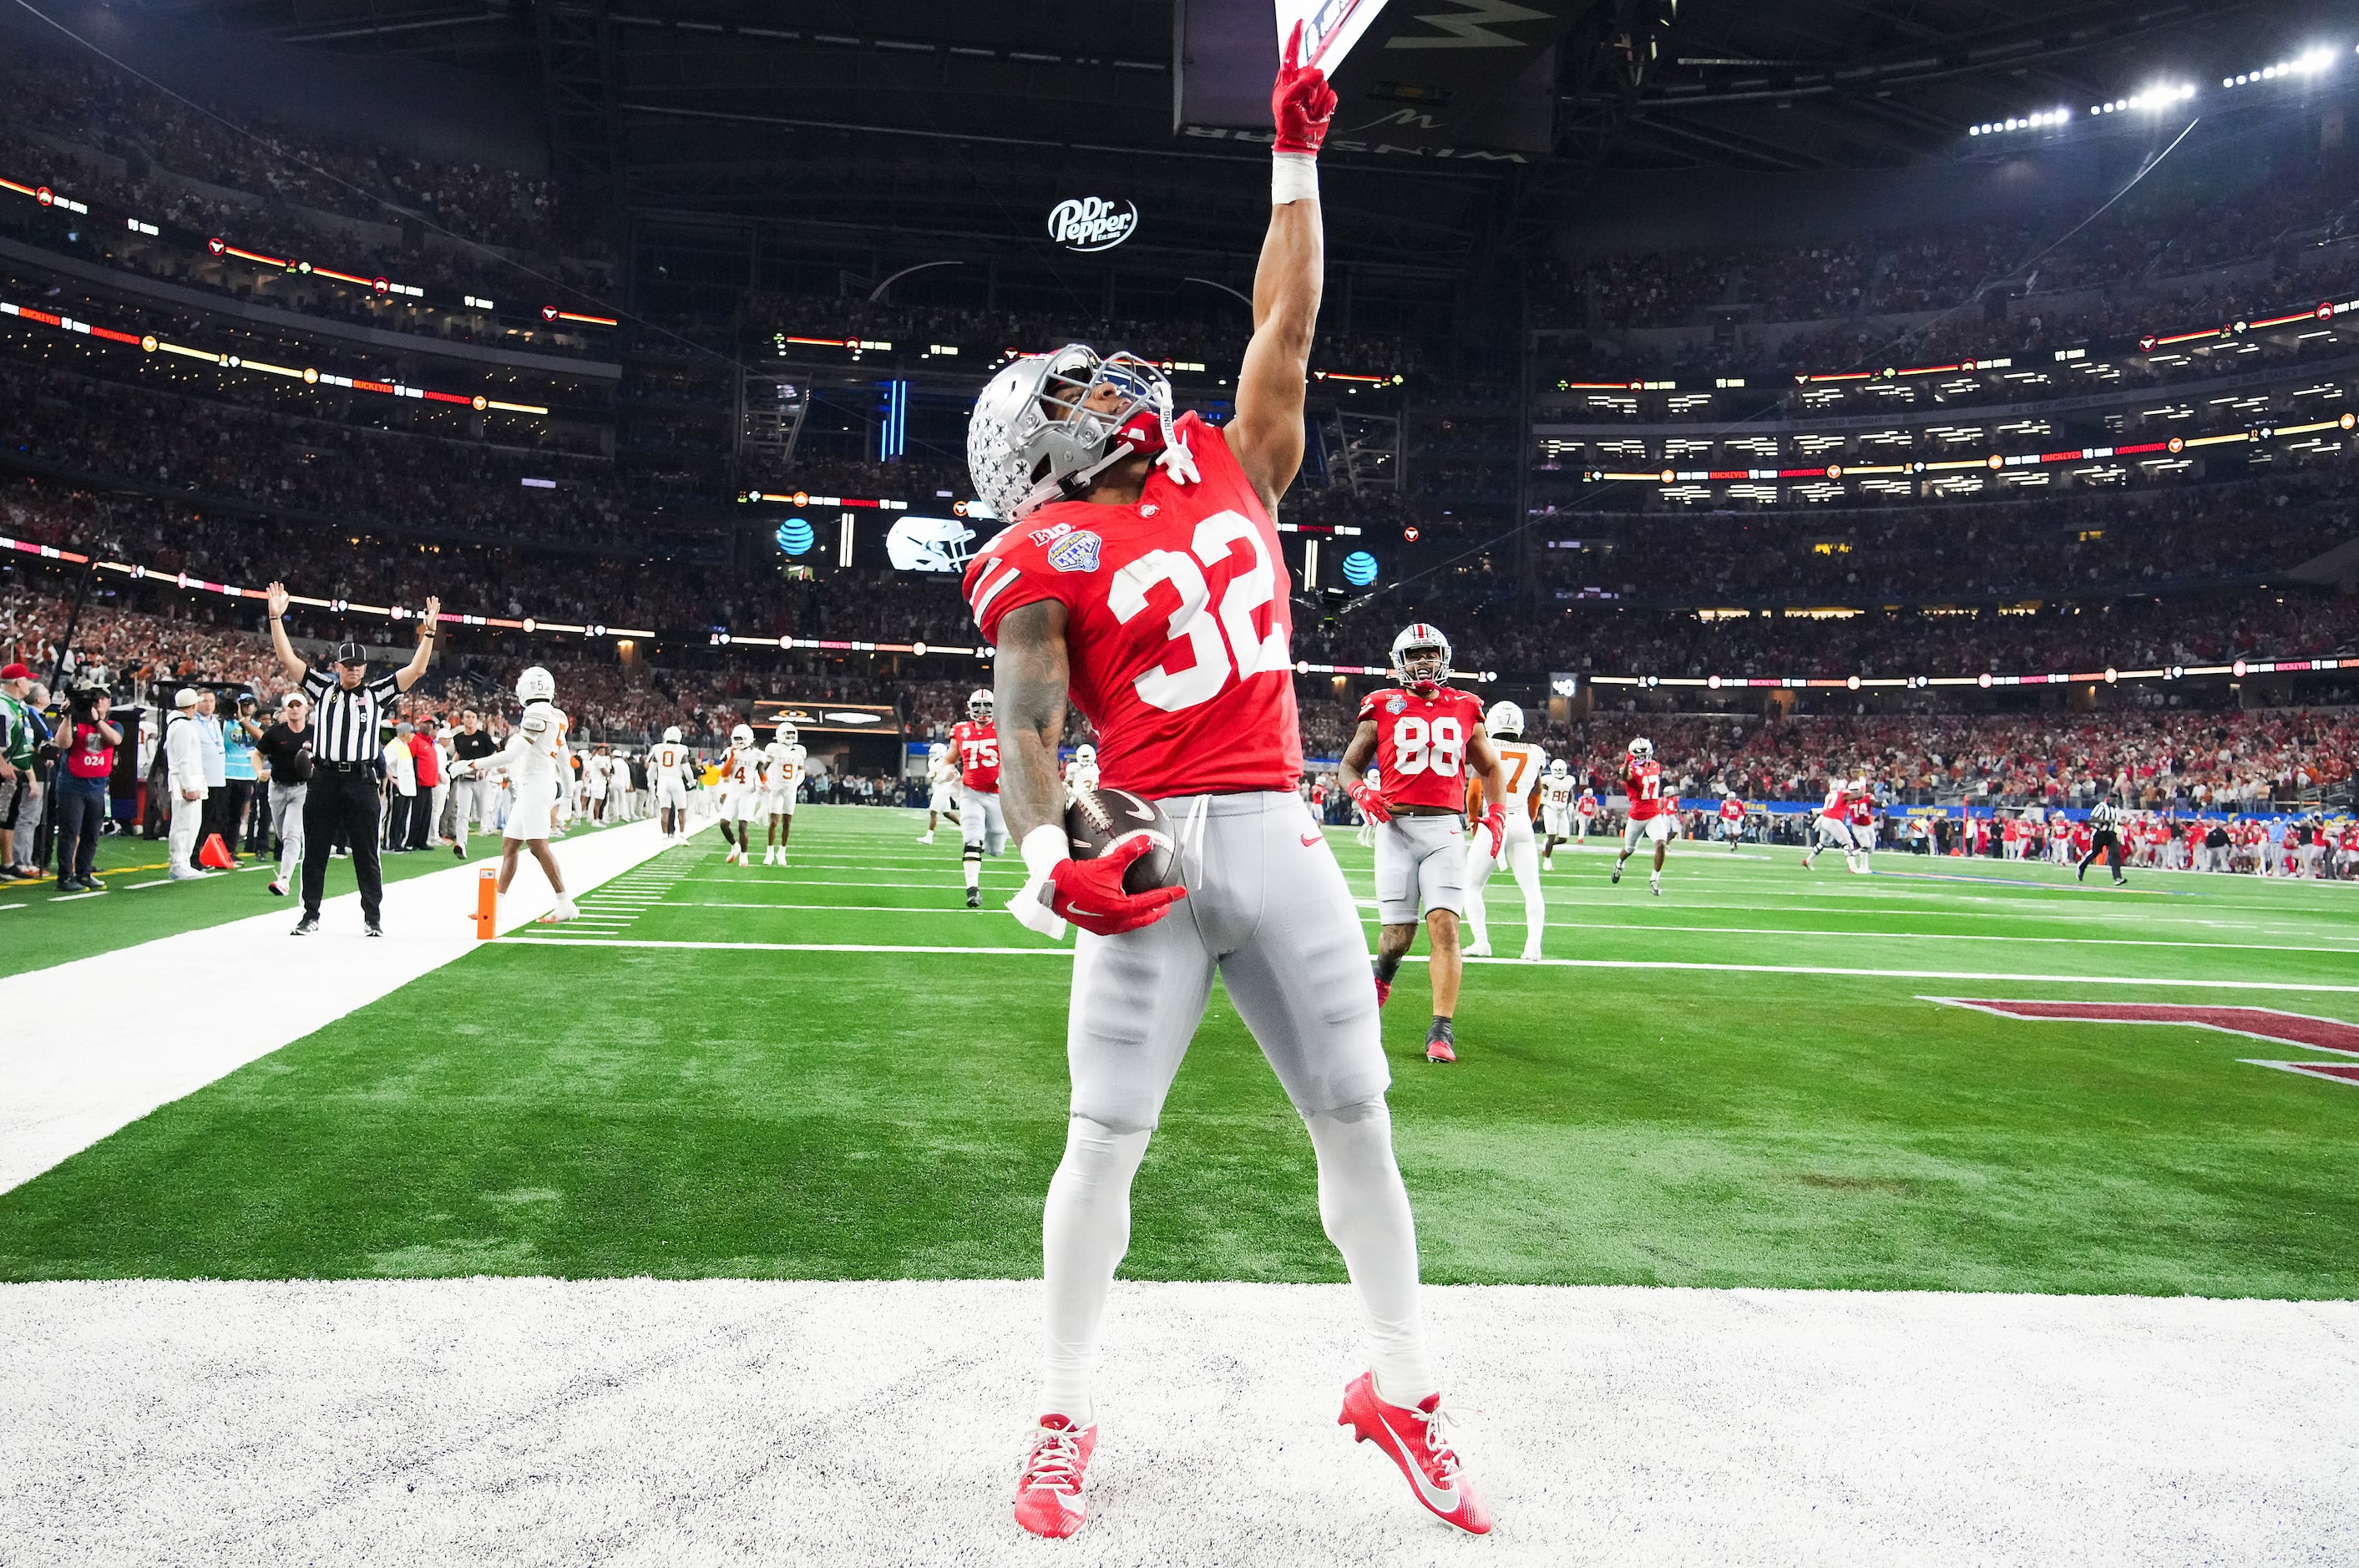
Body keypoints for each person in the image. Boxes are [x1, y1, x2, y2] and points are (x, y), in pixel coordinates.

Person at [961, 37, 1489, 1538]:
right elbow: (1025, 736)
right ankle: (1061, 1413)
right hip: (1152, 855)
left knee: (1358, 1120)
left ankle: (1403, 1387)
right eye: (1067, 386)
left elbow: (1289, 316)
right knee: (1103, 1138)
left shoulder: (1229, 461)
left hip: (1276, 827)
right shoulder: (1048, 553)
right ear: (1044, 449)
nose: (1098, 378)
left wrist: (1295, 159)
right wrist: (1059, 843)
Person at [1342, 624, 1508, 1064]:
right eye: (1414, 655)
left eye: (1429, 654)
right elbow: (1348, 769)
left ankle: (1441, 1031)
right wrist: (1363, 793)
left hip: (1446, 831)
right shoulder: (1381, 704)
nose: (1422, 663)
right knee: (1398, 936)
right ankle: (1384, 974)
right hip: (1395, 832)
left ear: (1444, 657)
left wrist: (1495, 813)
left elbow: (1490, 768)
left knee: (1446, 928)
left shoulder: (1467, 706)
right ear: (1400, 662)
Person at [263, 584, 441, 937]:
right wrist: (275, 617)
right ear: (338, 666)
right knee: (315, 849)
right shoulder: (322, 689)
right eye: (349, 666)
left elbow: (416, 669)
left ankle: (372, 917)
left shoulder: (377, 694)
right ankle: (309, 914)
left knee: (366, 851)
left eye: (360, 666)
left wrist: (430, 631)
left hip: (361, 780)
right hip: (325, 777)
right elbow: (287, 660)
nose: (355, 671)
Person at [452, 665, 576, 923]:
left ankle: (565, 903)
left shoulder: (535, 713)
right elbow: (565, 761)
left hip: (536, 785)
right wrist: (567, 796)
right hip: (538, 784)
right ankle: (495, 905)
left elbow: (512, 754)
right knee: (510, 846)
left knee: (538, 847)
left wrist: (470, 764)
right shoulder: (557, 715)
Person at [1461, 700, 1546, 963]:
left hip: (1492, 819)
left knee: (1471, 886)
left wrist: (1475, 821)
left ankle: (1482, 942)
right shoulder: (1535, 751)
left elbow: (1475, 791)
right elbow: (1536, 792)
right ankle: (1533, 947)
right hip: (1520, 819)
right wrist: (1527, 821)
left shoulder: (1486, 746)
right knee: (1532, 889)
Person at [49, 682, 119, 893]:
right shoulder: (75, 723)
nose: (98, 706)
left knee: (91, 832)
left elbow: (115, 740)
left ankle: (84, 872)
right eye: (95, 702)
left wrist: (97, 720)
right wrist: (69, 716)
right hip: (72, 784)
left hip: (97, 786)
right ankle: (65, 876)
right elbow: (62, 744)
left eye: (102, 702)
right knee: (69, 831)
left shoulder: (114, 724)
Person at [255, 691, 313, 898]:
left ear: (306, 709)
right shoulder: (275, 733)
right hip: (277, 787)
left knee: (291, 833)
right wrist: (259, 770)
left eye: (298, 705)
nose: (295, 709)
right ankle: (293, 855)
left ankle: (284, 880)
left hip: (302, 789)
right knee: (281, 833)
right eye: (291, 706)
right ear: (286, 709)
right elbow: (257, 754)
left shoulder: (315, 734)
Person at [951, 688, 1005, 908]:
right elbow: (948, 760)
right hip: (970, 792)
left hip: (998, 795)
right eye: (978, 706)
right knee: (971, 839)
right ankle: (972, 890)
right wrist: (947, 770)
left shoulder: (1004, 728)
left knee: (996, 849)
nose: (982, 711)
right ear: (969, 708)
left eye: (987, 706)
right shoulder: (961, 730)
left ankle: (983, 846)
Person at [0, 661, 45, 880]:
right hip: (4, 769)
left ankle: (8, 863)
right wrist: (1, 764)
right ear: (18, 682)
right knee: (3, 816)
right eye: (27, 679)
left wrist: (29, 773)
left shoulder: (17, 707)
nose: (29, 683)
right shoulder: (3, 706)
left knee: (9, 816)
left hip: (15, 769)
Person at [1611, 736, 1672, 896]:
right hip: (1637, 816)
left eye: (1644, 752)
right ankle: (1619, 863)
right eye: (1638, 753)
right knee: (1629, 849)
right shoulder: (1628, 767)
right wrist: (1628, 762)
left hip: (1654, 815)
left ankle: (1654, 879)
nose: (1642, 756)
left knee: (1661, 844)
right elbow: (1625, 777)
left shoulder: (1656, 766)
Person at [447, 708, 498, 856]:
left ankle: (486, 828)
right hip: (464, 779)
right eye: (467, 717)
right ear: (463, 719)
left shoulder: (483, 737)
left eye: (473, 717)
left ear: (477, 719)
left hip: (480, 778)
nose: (470, 720)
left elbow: (493, 754)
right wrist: (452, 764)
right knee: (463, 812)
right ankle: (461, 843)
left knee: (483, 810)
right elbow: (459, 753)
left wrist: (485, 770)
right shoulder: (458, 738)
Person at [221, 694, 264, 858]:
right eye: (243, 705)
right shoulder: (225, 723)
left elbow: (262, 737)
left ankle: (230, 850)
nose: (247, 707)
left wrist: (242, 720)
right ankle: (216, 848)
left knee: (237, 816)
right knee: (221, 814)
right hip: (226, 774)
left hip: (247, 775)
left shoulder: (256, 725)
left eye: (250, 704)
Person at [714, 723, 763, 866]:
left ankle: (744, 854)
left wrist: (764, 782)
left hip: (748, 793)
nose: (737, 742)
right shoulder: (730, 752)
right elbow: (724, 773)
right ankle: (735, 846)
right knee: (723, 824)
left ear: (748, 739)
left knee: (742, 826)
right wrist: (732, 756)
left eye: (740, 739)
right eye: (735, 739)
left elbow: (761, 772)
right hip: (733, 792)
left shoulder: (756, 755)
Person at [762, 721, 806, 864]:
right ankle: (769, 852)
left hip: (790, 790)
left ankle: (782, 852)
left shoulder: (799, 750)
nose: (790, 737)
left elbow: (801, 772)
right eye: (787, 734)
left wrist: (795, 784)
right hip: (776, 788)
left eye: (792, 734)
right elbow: (763, 767)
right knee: (774, 821)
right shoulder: (773, 749)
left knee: (787, 823)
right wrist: (765, 782)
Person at [381, 720, 419, 852]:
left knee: (402, 814)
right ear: (404, 733)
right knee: (394, 814)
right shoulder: (394, 746)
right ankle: (390, 842)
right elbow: (384, 764)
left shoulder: (404, 746)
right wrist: (392, 779)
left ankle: (398, 841)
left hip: (406, 785)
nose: (413, 736)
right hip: (397, 783)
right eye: (412, 733)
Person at [407, 716, 443, 851]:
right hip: (419, 783)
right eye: (426, 723)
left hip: (429, 783)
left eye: (431, 724)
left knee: (426, 814)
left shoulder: (430, 743)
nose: (429, 726)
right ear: (419, 724)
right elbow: (410, 759)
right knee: (416, 814)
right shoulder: (416, 740)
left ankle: (421, 841)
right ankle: (411, 840)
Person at [650, 726, 693, 841]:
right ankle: (682, 834)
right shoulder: (682, 749)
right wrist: (691, 781)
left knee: (665, 810)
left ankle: (665, 835)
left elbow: (651, 770)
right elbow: (687, 769)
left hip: (663, 781)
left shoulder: (658, 748)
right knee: (682, 809)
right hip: (676, 780)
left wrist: (651, 783)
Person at [2078, 794, 2128, 886]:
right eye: (2112, 799)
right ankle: (2082, 867)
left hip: (2111, 834)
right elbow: (2092, 819)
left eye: (2115, 800)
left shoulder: (2116, 809)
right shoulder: (2101, 806)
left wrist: (2120, 824)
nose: (2114, 801)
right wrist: (2104, 821)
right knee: (2095, 853)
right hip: (2101, 833)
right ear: (2108, 799)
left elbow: (2114, 822)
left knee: (2115, 854)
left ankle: (2117, 877)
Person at [1537, 758, 1577, 870]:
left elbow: (1570, 793)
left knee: (1564, 838)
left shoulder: (1570, 780)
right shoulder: (1548, 780)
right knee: (1552, 836)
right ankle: (1547, 861)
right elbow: (1540, 797)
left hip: (1562, 810)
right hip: (1550, 810)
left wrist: (1570, 804)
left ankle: (1547, 844)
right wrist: (1549, 803)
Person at [919, 741, 959, 845]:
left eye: (933, 753)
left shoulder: (941, 762)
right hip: (944, 788)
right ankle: (967, 828)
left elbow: (937, 777)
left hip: (942, 789)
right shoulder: (942, 762)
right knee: (947, 813)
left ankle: (929, 837)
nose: (931, 755)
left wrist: (941, 779)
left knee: (933, 812)